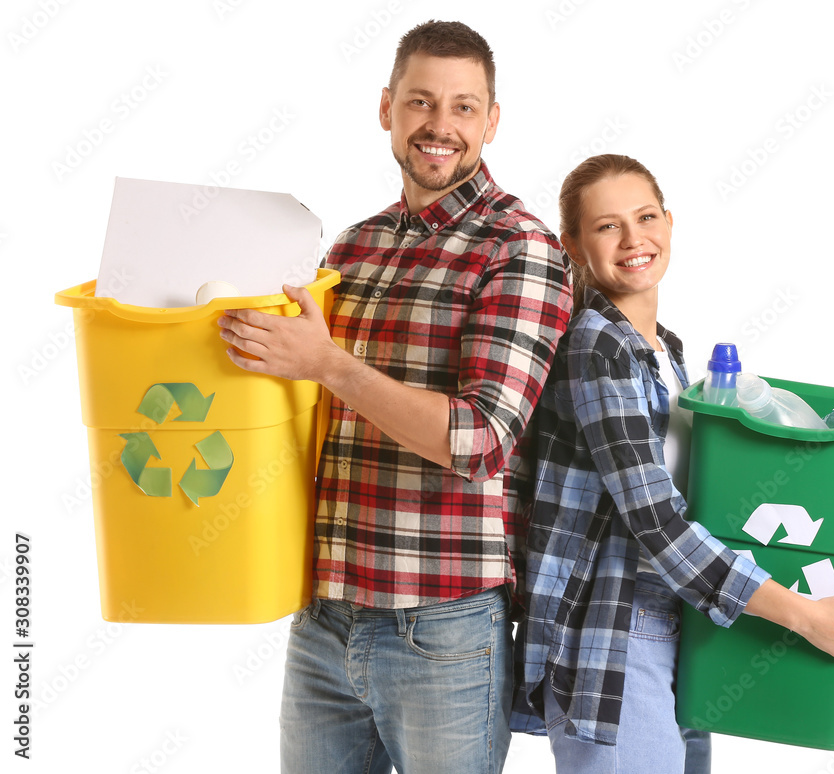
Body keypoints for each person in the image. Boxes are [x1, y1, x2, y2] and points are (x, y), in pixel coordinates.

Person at [217, 21, 572, 774]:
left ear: (492, 121)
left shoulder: (520, 250)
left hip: (441, 630)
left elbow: (482, 441)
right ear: (387, 109)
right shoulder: (352, 247)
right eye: (420, 102)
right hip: (322, 617)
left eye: (463, 108)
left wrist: (330, 365)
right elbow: (300, 409)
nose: (439, 126)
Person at [510, 154, 834, 773]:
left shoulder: (668, 352)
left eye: (645, 217)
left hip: (681, 623)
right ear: (574, 246)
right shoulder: (597, 347)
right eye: (608, 226)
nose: (634, 239)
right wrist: (803, 617)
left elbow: (710, 507)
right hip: (614, 633)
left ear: (670, 221)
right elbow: (658, 523)